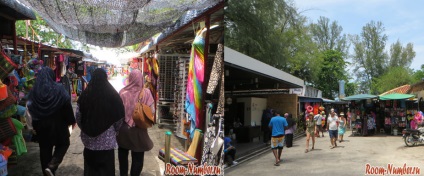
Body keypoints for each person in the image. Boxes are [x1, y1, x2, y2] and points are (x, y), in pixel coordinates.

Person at [27, 67, 76, 176]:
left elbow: (29, 108)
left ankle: (47, 172)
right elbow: (67, 105)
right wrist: (71, 121)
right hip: (58, 125)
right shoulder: (59, 89)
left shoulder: (34, 91)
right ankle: (52, 166)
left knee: (45, 149)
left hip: (41, 125)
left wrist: (32, 126)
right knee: (64, 144)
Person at [76, 68, 125, 176]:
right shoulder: (113, 95)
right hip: (107, 143)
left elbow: (78, 116)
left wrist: (84, 128)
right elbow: (120, 118)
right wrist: (114, 131)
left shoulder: (85, 95)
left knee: (90, 171)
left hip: (89, 142)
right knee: (107, 170)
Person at [117, 69, 156, 176]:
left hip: (123, 129)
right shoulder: (146, 93)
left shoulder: (122, 92)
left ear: (130, 79)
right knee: (138, 156)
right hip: (139, 129)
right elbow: (152, 111)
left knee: (123, 154)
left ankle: (123, 174)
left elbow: (117, 112)